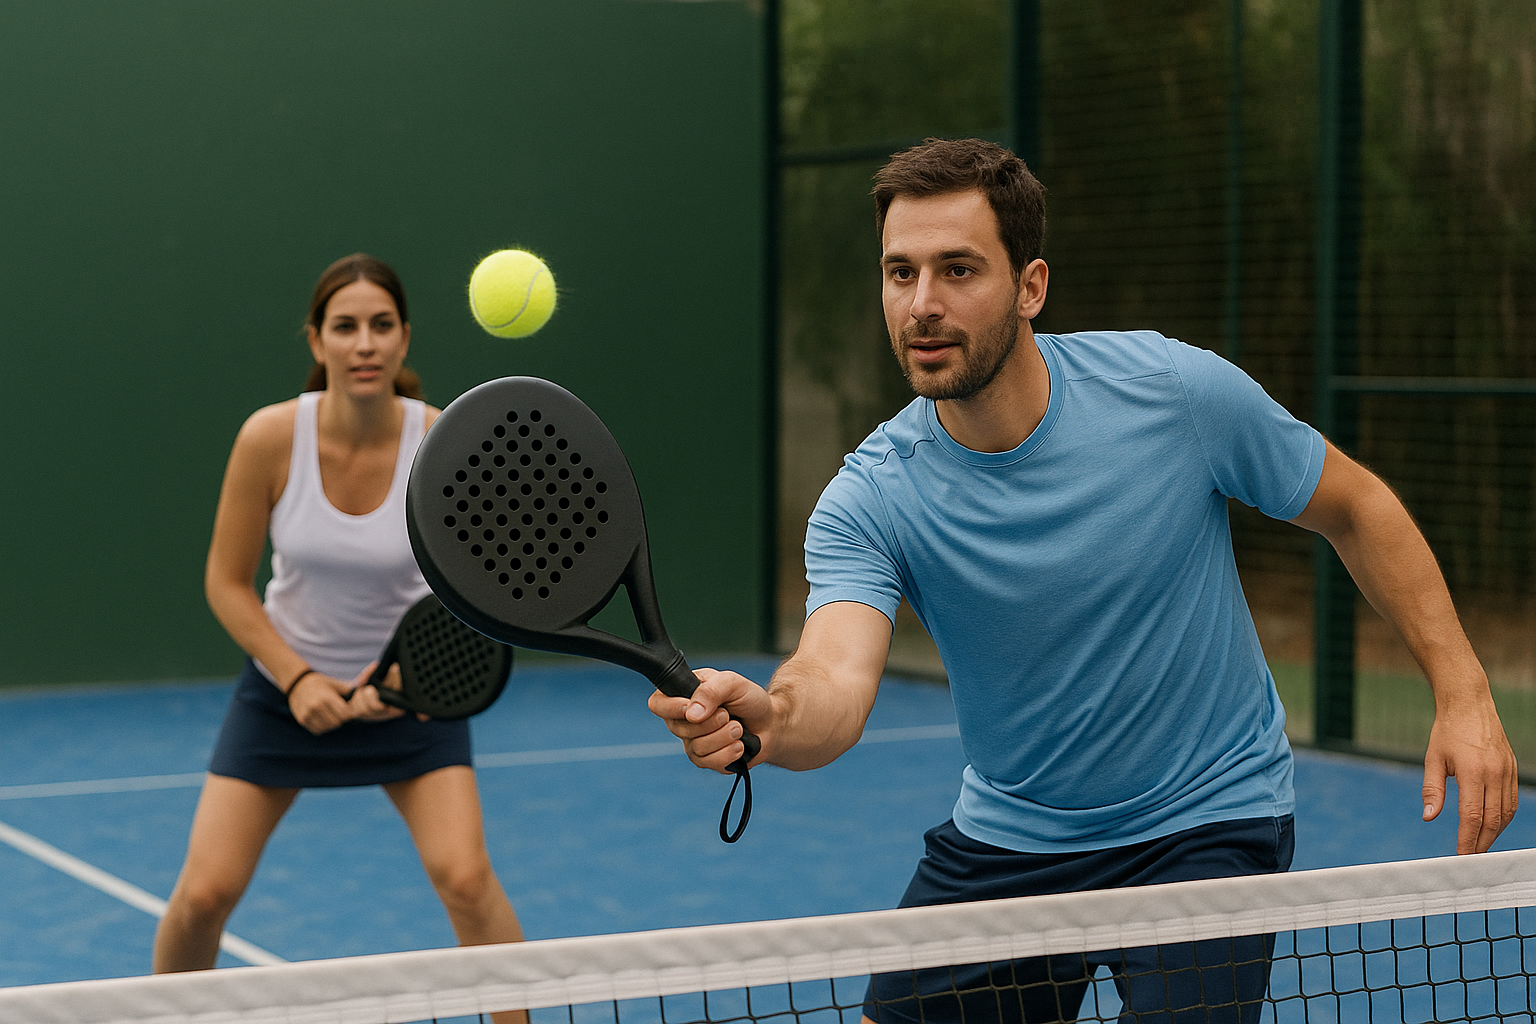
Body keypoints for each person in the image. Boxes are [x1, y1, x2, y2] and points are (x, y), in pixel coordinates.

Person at [649, 139, 1519, 1023]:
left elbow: (1356, 505)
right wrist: (772, 718)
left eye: (957, 270)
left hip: (1204, 819)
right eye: (899, 273)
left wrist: (1465, 693)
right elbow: (832, 678)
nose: (923, 305)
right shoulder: (869, 497)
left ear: (1031, 286)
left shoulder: (1170, 393)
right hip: (1014, 837)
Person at [154, 254, 526, 1022]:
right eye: (346, 327)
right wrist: (296, 680)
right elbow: (226, 582)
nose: (365, 344)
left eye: (381, 326)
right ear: (317, 342)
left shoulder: (444, 441)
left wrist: (407, 682)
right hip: (283, 692)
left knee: (465, 878)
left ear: (404, 339)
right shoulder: (268, 437)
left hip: (412, 699)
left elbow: (477, 589)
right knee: (202, 895)